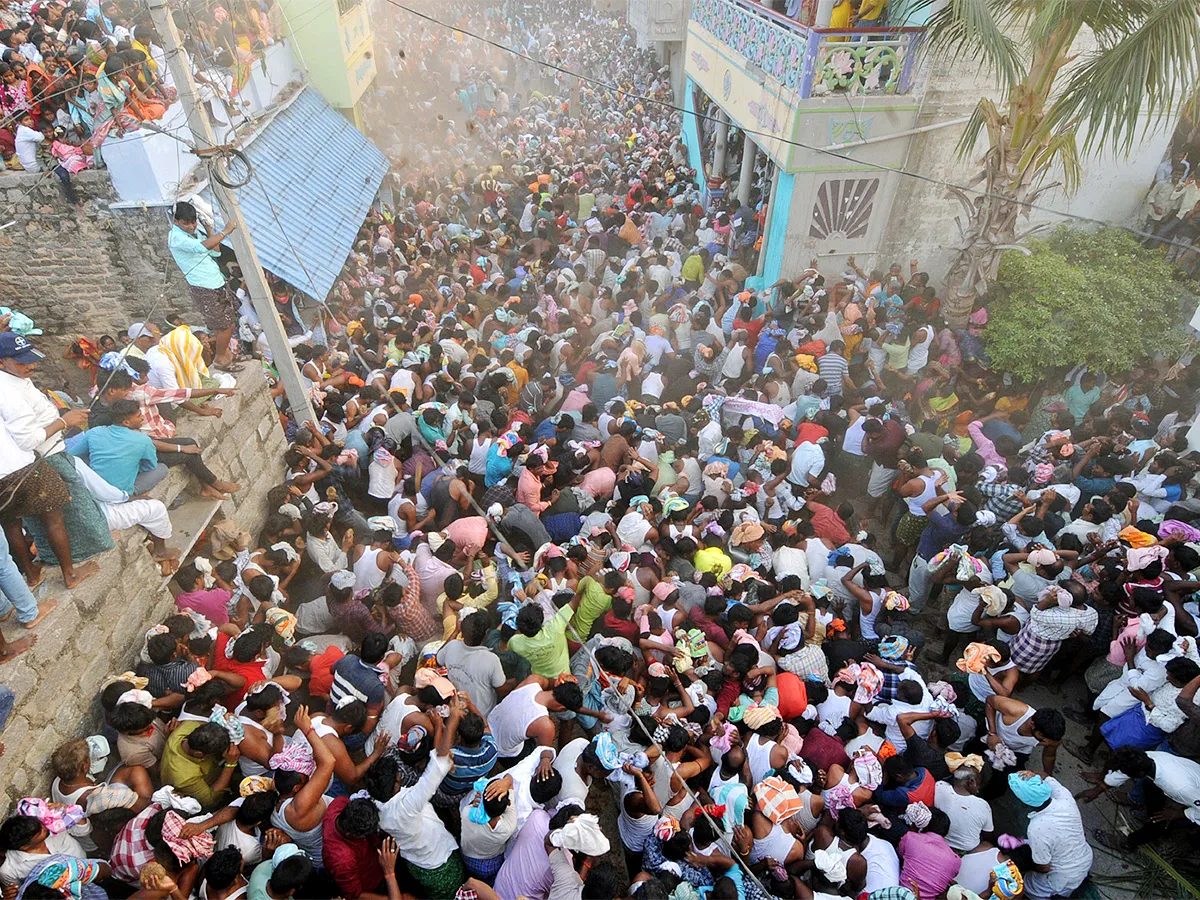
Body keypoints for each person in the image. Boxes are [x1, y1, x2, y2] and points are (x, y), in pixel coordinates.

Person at [167, 200, 238, 370]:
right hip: (204, 286)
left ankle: (224, 354)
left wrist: (209, 229)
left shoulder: (195, 231)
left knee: (225, 324)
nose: (191, 226)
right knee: (227, 325)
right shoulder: (176, 237)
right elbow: (201, 247)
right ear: (176, 221)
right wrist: (225, 231)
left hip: (216, 281)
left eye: (193, 222)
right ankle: (220, 357)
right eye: (186, 223)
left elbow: (216, 251)